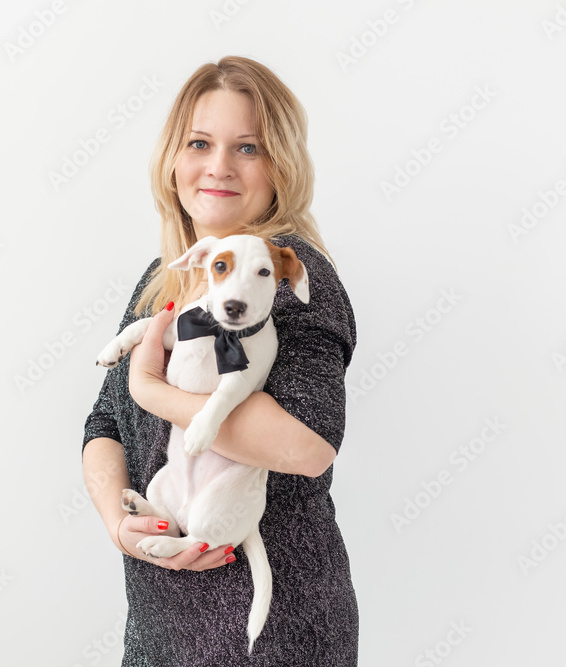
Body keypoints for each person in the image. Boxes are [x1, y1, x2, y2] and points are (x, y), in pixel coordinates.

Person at [82, 55, 359, 666]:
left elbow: (308, 446)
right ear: (172, 159)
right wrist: (120, 523)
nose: (218, 167)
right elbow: (104, 425)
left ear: (281, 165)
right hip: (161, 631)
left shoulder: (288, 274)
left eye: (248, 148)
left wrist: (154, 392)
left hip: (276, 635)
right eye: (200, 143)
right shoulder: (164, 278)